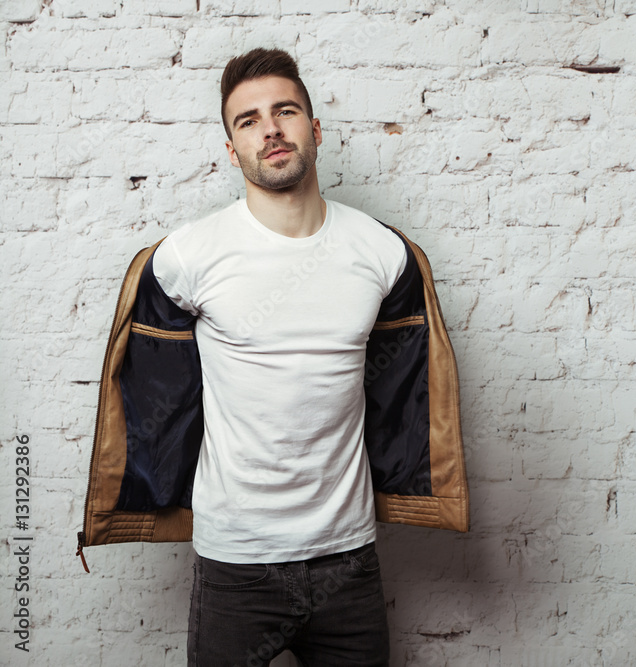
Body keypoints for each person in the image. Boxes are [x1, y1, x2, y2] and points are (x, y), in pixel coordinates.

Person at [77, 47, 469, 667]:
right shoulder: (187, 257)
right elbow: (155, 394)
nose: (270, 128)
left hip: (349, 559)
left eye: (285, 110)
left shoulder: (384, 255)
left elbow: (403, 396)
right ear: (232, 150)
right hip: (236, 561)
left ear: (314, 129)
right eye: (248, 119)